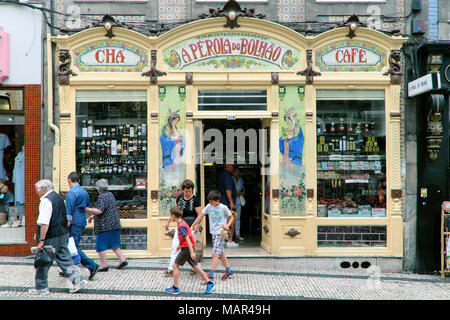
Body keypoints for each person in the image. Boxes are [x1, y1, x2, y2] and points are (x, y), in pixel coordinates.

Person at [29, 179, 87, 295]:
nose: (37, 192)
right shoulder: (58, 197)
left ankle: (41, 287)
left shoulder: (46, 200)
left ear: (43, 189)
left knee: (43, 261)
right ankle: (78, 280)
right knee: (65, 259)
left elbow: (44, 222)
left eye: (38, 189)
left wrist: (41, 240)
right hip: (63, 233)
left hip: (52, 236)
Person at [164, 206, 214, 295]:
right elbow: (186, 236)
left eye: (170, 216)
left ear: (174, 216)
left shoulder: (181, 225)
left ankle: (175, 288)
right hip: (186, 247)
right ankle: (209, 283)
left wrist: (191, 251)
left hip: (186, 249)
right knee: (195, 267)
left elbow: (187, 237)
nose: (170, 218)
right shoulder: (183, 223)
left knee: (175, 266)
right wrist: (180, 245)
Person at [192, 189, 235, 283]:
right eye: (209, 201)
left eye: (211, 201)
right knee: (221, 253)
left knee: (215, 254)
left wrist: (227, 225)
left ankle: (211, 276)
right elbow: (201, 216)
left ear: (217, 200)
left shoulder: (223, 207)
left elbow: (231, 217)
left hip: (221, 233)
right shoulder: (209, 206)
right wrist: (194, 225)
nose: (210, 203)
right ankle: (229, 272)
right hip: (214, 233)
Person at [85, 179, 128, 272]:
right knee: (114, 244)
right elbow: (106, 209)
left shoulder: (102, 197)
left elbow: (100, 210)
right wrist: (93, 216)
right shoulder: (110, 195)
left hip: (105, 226)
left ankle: (103, 265)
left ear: (99, 189)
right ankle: (122, 260)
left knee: (101, 246)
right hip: (114, 224)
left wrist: (88, 209)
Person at [65, 172, 99, 280]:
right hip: (81, 220)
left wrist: (66, 225)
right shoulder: (84, 192)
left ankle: (92, 265)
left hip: (74, 221)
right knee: (71, 245)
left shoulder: (71, 193)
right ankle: (68, 267)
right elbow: (87, 207)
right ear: (79, 181)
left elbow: (69, 211)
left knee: (72, 247)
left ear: (69, 180)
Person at [164, 179, 202, 277]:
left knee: (192, 249)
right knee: (175, 246)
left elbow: (200, 215)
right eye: (186, 191)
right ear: (183, 190)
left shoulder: (195, 200)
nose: (188, 193)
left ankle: (197, 268)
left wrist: (195, 225)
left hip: (192, 226)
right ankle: (171, 269)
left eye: (190, 191)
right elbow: (175, 212)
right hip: (180, 225)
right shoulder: (179, 198)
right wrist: (168, 222)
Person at [217, 164, 238, 247]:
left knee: (223, 221)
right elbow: (228, 190)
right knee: (230, 221)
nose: (233, 168)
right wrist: (231, 202)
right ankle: (229, 240)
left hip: (221, 201)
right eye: (232, 166)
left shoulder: (221, 175)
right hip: (227, 202)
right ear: (227, 166)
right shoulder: (228, 176)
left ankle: (223, 240)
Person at [232, 167, 245, 241]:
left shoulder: (240, 180)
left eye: (238, 172)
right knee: (230, 218)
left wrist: (242, 192)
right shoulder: (231, 179)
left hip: (239, 200)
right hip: (232, 200)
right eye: (236, 171)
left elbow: (243, 188)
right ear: (233, 172)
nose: (238, 173)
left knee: (238, 218)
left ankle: (237, 234)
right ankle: (229, 235)